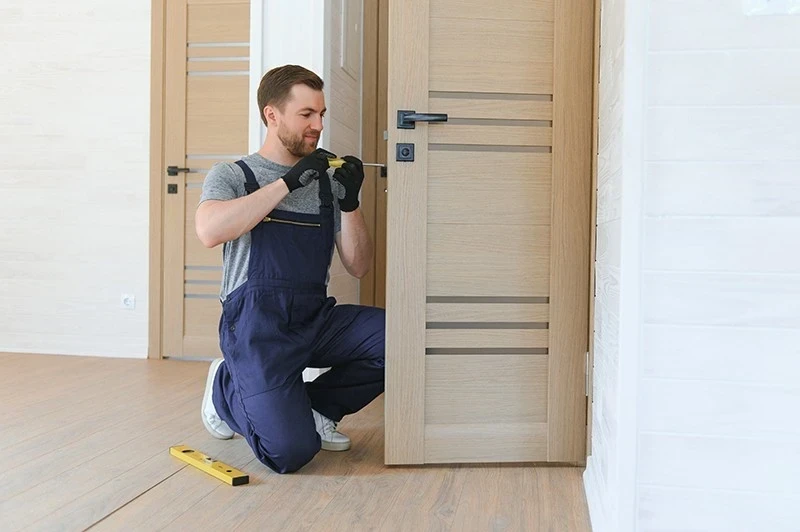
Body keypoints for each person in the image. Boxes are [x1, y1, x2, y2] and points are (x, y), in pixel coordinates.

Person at [195, 64, 385, 474]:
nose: (318, 125)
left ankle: (319, 408)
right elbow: (210, 231)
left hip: (314, 319)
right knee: (290, 453)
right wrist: (287, 184)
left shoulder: (327, 185)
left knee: (400, 340)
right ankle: (224, 388)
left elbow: (359, 266)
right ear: (272, 115)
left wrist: (349, 202)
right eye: (306, 115)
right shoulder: (234, 175)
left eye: (322, 114)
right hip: (257, 330)